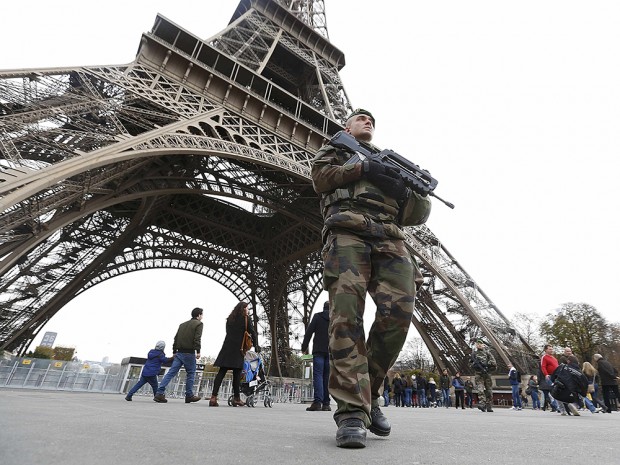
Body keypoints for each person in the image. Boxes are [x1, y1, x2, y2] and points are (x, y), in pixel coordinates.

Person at [311, 108, 432, 448]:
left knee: (399, 317)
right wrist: (363, 168)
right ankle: (351, 411)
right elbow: (320, 180)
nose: (368, 122)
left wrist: (408, 191)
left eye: (372, 121)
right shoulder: (337, 149)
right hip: (347, 232)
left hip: (390, 238)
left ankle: (370, 393)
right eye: (361, 118)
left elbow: (416, 216)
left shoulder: (392, 164)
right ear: (347, 126)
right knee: (346, 317)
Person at [208, 301, 258, 407]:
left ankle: (213, 397)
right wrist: (256, 346)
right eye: (247, 308)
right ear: (244, 309)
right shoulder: (246, 319)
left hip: (227, 347)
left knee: (221, 372)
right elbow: (252, 332)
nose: (248, 310)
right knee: (237, 374)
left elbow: (228, 332)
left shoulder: (230, 319)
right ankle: (236, 398)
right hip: (238, 349)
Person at [154, 307, 203, 403]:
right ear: (199, 315)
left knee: (170, 373)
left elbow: (175, 338)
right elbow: (197, 338)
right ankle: (189, 395)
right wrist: (198, 351)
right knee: (191, 374)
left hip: (179, 352)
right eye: (202, 314)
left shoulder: (182, 325)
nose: (202, 316)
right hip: (189, 353)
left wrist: (174, 351)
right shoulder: (199, 324)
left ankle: (159, 393)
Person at [301, 301, 331, 411]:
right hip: (330, 351)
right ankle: (326, 403)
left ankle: (318, 402)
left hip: (319, 350)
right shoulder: (335, 319)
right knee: (327, 377)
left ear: (323, 308)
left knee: (318, 375)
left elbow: (309, 332)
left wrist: (304, 347)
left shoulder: (317, 317)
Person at [469, 338, 497, 412]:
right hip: (479, 374)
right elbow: (470, 364)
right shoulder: (474, 354)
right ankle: (482, 404)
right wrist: (474, 365)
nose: (479, 345)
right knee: (480, 389)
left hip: (487, 374)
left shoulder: (487, 353)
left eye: (480, 344)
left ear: (483, 345)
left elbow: (494, 362)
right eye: (477, 344)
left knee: (489, 391)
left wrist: (487, 365)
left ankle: (489, 406)